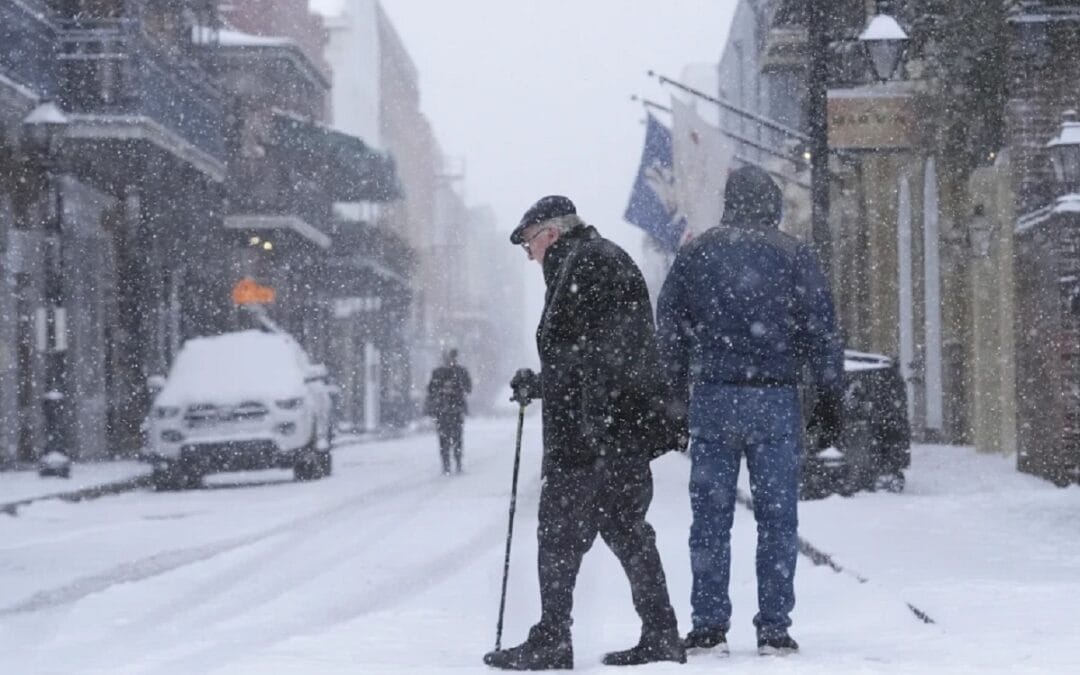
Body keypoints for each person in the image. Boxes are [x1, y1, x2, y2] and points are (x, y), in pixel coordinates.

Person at [483, 196, 685, 670]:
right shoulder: (593, 259)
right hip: (613, 427)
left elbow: (593, 356)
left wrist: (582, 416)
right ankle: (660, 633)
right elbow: (589, 353)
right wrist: (543, 382)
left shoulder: (587, 264)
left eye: (530, 242)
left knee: (559, 532)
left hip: (596, 432)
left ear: (550, 233)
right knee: (624, 527)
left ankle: (554, 638)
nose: (529, 254)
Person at [656, 165, 844, 657]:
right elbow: (822, 330)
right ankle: (775, 626)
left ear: (729, 201)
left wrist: (673, 400)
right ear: (772, 205)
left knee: (710, 517)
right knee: (778, 518)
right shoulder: (794, 255)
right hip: (775, 399)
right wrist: (828, 399)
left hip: (714, 398)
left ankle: (709, 624)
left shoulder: (696, 253)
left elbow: (670, 331)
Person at [426, 349, 472, 475]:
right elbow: (430, 390)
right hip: (442, 410)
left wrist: (456, 389)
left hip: (456, 410)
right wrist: (440, 391)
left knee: (457, 437)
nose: (449, 360)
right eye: (447, 358)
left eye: (451, 358)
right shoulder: (437, 373)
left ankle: (457, 462)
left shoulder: (461, 372)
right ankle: (446, 464)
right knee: (443, 438)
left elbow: (468, 388)